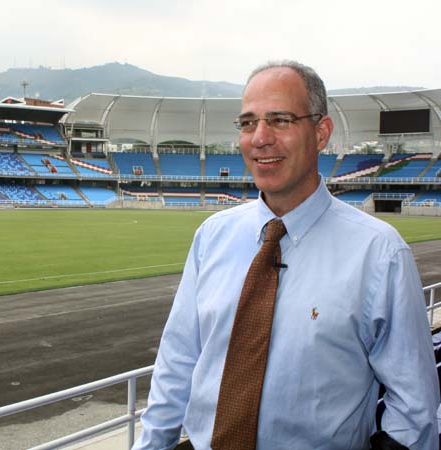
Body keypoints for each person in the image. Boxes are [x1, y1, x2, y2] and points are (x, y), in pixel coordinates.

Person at [133, 61, 439, 450]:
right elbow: (177, 363)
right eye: (248, 123)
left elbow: (414, 409)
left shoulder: (380, 253)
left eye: (280, 120)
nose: (260, 138)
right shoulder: (211, 236)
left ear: (321, 132)